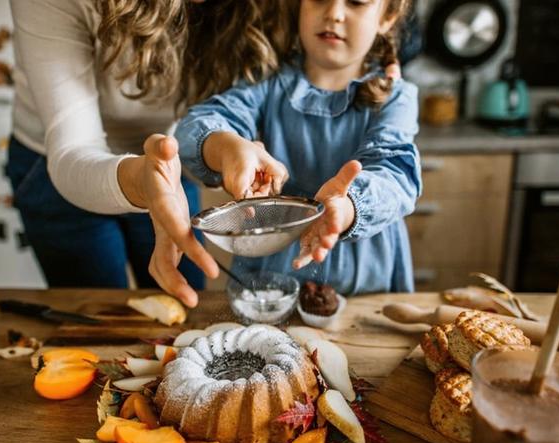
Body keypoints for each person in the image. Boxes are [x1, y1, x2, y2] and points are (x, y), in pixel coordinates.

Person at [6, 0, 294, 306]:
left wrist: (225, 150)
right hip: (56, 168)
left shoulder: (266, 10)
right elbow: (73, 151)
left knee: (182, 302)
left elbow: (210, 125)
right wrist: (142, 182)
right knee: (98, 316)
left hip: (167, 162)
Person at [176, 0, 421, 295]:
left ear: (387, 16)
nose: (333, 13)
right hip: (270, 274)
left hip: (366, 279)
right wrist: (227, 148)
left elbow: (396, 175)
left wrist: (347, 208)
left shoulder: (397, 98)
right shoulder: (265, 82)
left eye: (356, 2)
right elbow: (196, 128)